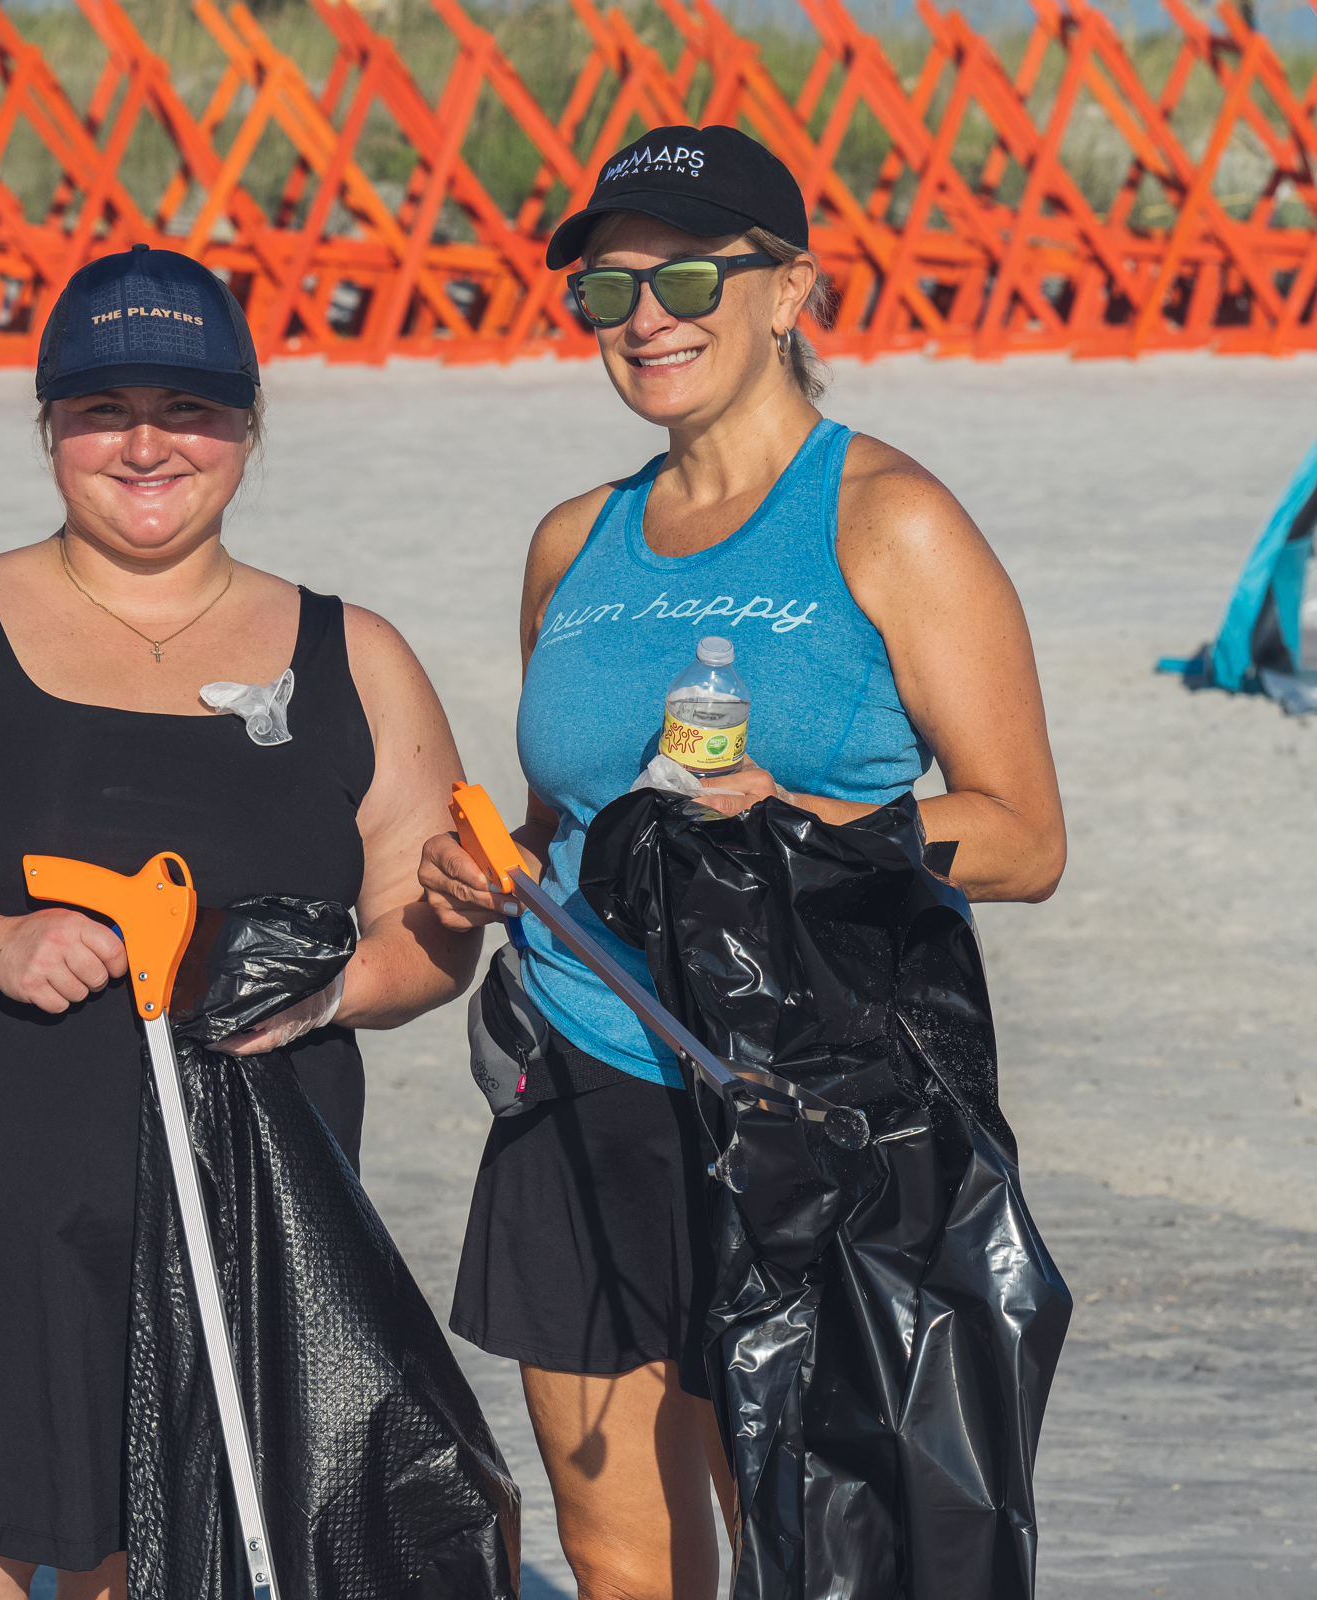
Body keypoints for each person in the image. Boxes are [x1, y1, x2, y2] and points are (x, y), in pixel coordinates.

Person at [0, 244, 481, 1599]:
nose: (147, 445)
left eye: (188, 408)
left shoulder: (355, 655)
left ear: (249, 423)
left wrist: (332, 994)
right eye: (103, 410)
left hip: (240, 1250)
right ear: (49, 426)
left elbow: (428, 931)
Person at [418, 126, 1065, 1600]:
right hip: (584, 1075)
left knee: (816, 1544)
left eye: (692, 276)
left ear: (792, 293)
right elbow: (568, 819)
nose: (647, 316)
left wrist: (802, 825)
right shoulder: (573, 542)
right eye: (609, 287)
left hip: (803, 1093)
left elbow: (1025, 835)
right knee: (616, 1560)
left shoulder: (888, 519)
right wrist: (488, 868)